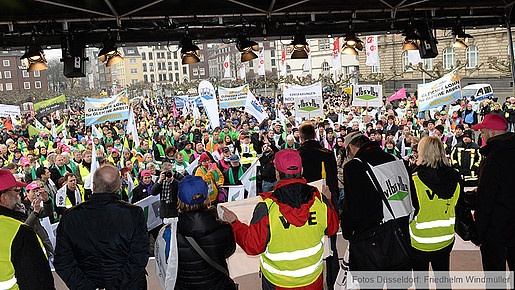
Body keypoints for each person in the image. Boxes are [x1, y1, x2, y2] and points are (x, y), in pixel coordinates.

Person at [221, 149, 339, 289]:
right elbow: (332, 229)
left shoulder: (267, 207)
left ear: (277, 173)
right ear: (301, 170)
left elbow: (252, 246)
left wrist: (234, 224)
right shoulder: (320, 201)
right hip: (313, 281)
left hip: (277, 283)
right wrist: (329, 200)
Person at [54, 165, 150, 289]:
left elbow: (63, 261)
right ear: (119, 186)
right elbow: (139, 256)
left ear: (93, 186)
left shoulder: (71, 216)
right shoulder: (133, 213)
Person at [341, 132, 414, 270]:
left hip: (371, 243)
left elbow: (354, 210)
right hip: (401, 237)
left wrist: (347, 231)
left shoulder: (354, 167)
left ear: (351, 146)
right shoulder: (399, 161)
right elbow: (413, 201)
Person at [409, 136, 462, 289]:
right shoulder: (455, 177)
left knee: (421, 283)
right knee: (444, 280)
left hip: (419, 242)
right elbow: (460, 208)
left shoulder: (414, 179)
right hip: (446, 239)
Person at [169, 175, 237, 289]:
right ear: (207, 197)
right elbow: (229, 251)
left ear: (179, 199)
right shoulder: (224, 228)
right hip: (218, 286)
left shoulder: (170, 232)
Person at [297, 122, 339, 288]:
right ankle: (333, 284)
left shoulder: (298, 154)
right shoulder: (328, 154)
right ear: (315, 135)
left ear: (300, 138)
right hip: (327, 204)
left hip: (305, 206)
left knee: (307, 247)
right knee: (332, 248)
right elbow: (334, 183)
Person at [471, 114, 515, 275]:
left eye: (483, 132)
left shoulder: (492, 159)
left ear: (492, 133)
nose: (481, 135)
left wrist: (479, 234)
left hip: (496, 231)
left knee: (495, 278)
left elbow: (485, 200)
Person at [0, 169, 54, 289]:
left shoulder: (21, 211)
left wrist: (47, 201)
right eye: (16, 190)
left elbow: (46, 212)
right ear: (4, 198)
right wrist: (34, 213)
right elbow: (38, 280)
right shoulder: (19, 232)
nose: (18, 193)